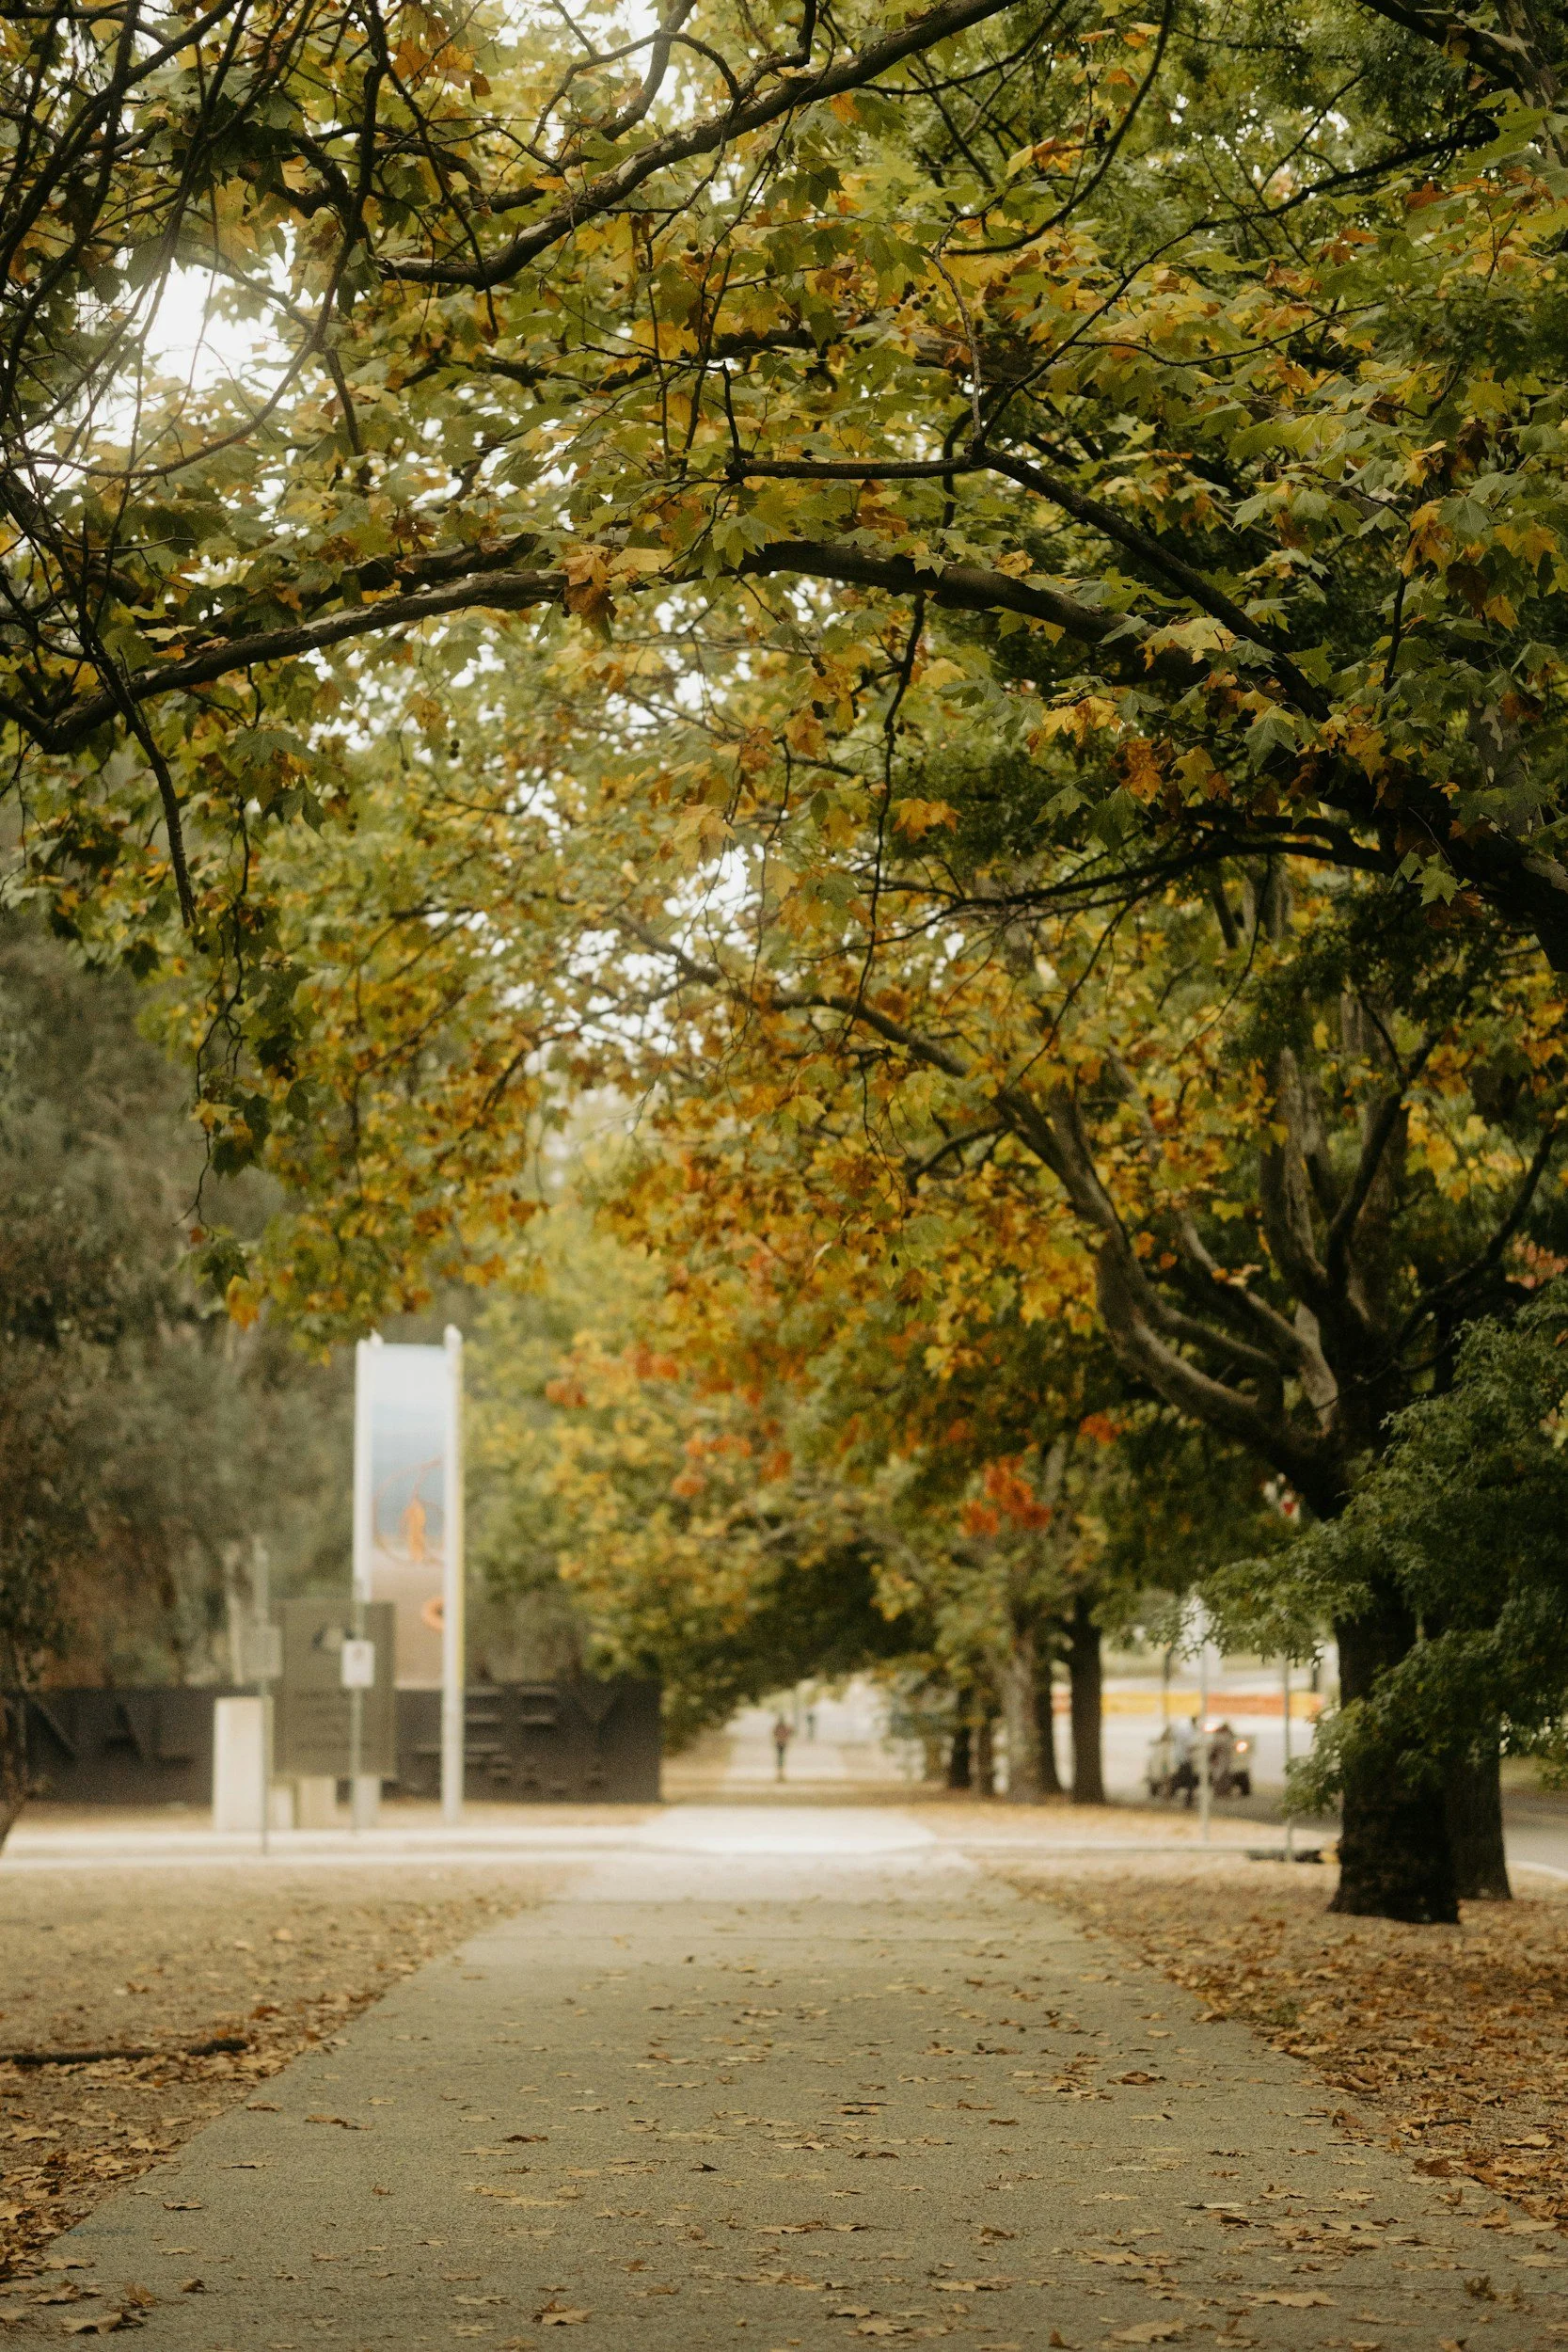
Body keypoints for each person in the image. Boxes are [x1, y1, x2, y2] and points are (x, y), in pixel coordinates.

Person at [772, 1715, 793, 1782]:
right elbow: (789, 1733)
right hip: (782, 1743)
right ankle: (780, 1773)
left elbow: (774, 1733)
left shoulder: (779, 1727)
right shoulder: (783, 1727)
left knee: (780, 1758)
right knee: (781, 1758)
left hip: (780, 1743)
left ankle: (780, 1773)